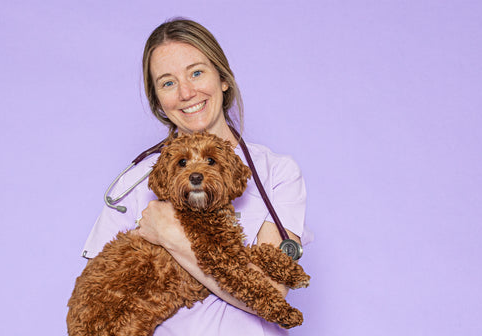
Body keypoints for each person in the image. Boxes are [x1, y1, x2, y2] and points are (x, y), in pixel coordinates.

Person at [81, 18, 312, 335]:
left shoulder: (276, 172)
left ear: (223, 79)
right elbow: (99, 302)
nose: (186, 92)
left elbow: (271, 292)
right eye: (168, 83)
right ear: (159, 101)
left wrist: (170, 236)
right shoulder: (134, 185)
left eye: (197, 72)